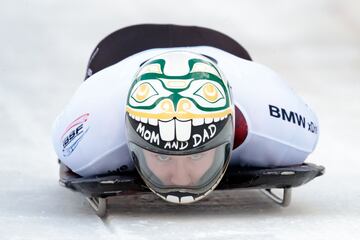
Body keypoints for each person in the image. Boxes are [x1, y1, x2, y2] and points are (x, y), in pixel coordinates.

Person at [52, 24, 319, 204]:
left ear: (229, 134)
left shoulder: (274, 121)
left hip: (228, 57)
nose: (180, 179)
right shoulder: (91, 140)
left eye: (199, 154)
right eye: (161, 155)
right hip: (118, 56)